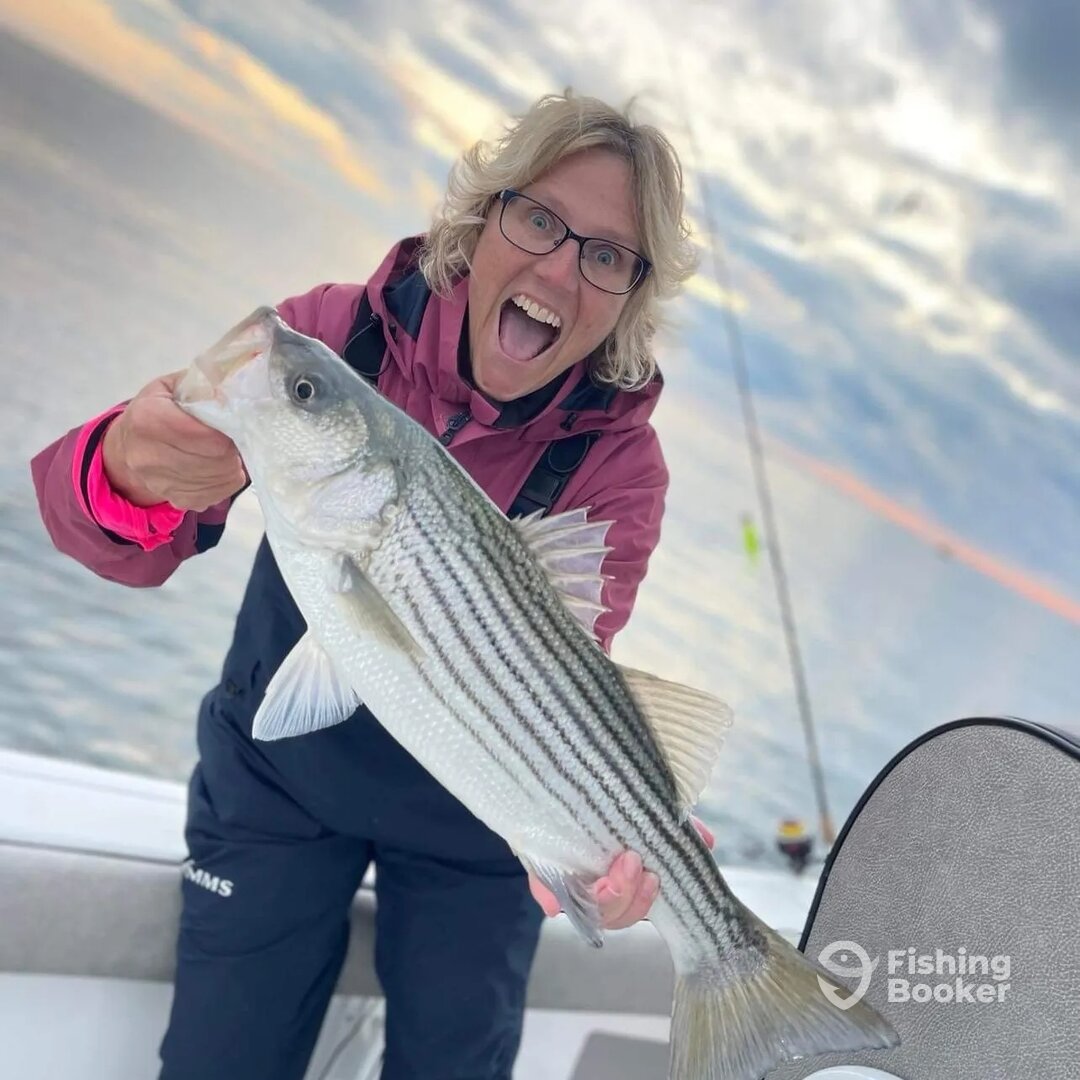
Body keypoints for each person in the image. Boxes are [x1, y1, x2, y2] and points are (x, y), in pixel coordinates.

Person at [31, 91, 705, 1080]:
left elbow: (561, 685)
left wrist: (607, 842)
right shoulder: (334, 340)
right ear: (485, 215)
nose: (561, 268)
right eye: (539, 219)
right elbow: (123, 539)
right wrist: (125, 469)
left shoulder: (620, 465)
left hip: (476, 804)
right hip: (278, 778)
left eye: (608, 256)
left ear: (631, 295)